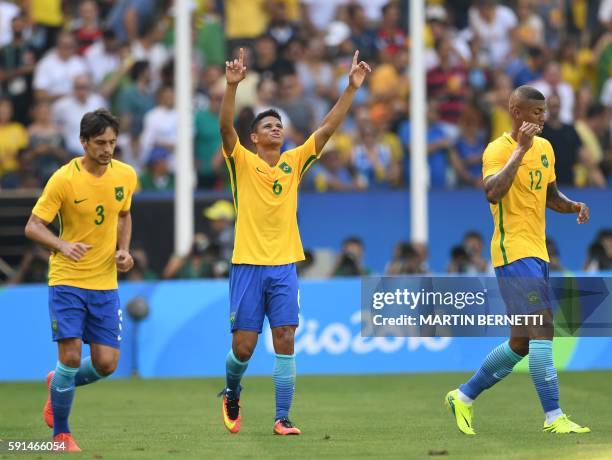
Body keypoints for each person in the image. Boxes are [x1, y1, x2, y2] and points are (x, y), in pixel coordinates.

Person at [218, 47, 370, 435]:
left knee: (285, 338)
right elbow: (225, 130)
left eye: (279, 124)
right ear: (253, 137)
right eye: (267, 125)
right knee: (244, 349)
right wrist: (232, 87)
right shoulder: (242, 161)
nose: (275, 128)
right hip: (248, 265)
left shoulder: (294, 161)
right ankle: (232, 390)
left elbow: (328, 129)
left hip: (285, 264)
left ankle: (282, 417)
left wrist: (350, 89)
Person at [445, 86, 591, 436]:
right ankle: (554, 416)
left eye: (544, 112)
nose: (543, 118)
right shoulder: (498, 149)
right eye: (536, 112)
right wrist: (520, 151)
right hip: (513, 253)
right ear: (516, 111)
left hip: (537, 252)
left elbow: (549, 195)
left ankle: (463, 396)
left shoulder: (546, 148)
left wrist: (572, 206)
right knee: (543, 329)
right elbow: (493, 192)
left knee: (521, 343)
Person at [24, 109, 138, 452]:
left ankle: (57, 381)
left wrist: (124, 251)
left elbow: (124, 214)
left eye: (112, 142)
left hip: (105, 283)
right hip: (67, 280)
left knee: (106, 364)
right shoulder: (64, 179)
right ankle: (61, 434)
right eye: (100, 142)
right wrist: (62, 244)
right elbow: (32, 226)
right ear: (84, 142)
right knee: (71, 357)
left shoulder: (126, 175)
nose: (107, 149)